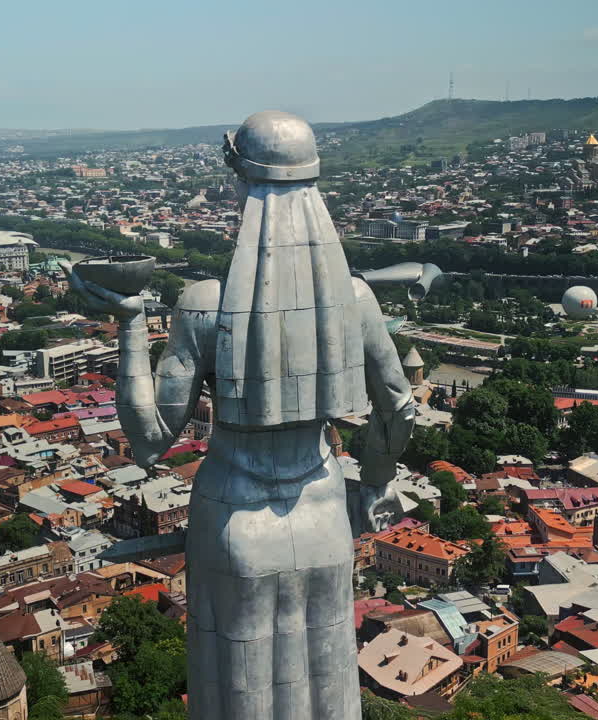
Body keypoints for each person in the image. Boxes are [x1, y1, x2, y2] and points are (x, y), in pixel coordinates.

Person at [70, 110, 415, 719]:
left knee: (237, 687)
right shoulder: (355, 301)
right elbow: (396, 408)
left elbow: (149, 439)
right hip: (324, 511)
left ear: (243, 185)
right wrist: (378, 482)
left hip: (232, 513)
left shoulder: (207, 306)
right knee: (329, 677)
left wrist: (128, 325)